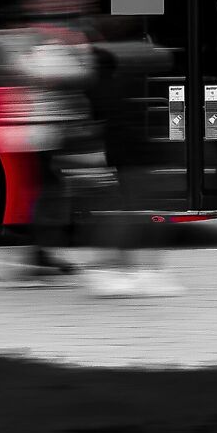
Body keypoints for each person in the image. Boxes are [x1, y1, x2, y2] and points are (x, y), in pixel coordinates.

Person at [0, 0, 98, 286]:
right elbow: (29, 72)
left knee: (50, 190)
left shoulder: (50, 36)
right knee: (48, 191)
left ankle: (41, 254)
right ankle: (36, 257)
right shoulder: (30, 38)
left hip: (45, 127)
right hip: (35, 129)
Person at [79, 20, 184, 297]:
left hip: (124, 154)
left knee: (130, 212)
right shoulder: (116, 79)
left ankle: (121, 269)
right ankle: (132, 271)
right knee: (147, 214)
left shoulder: (100, 82)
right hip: (133, 154)